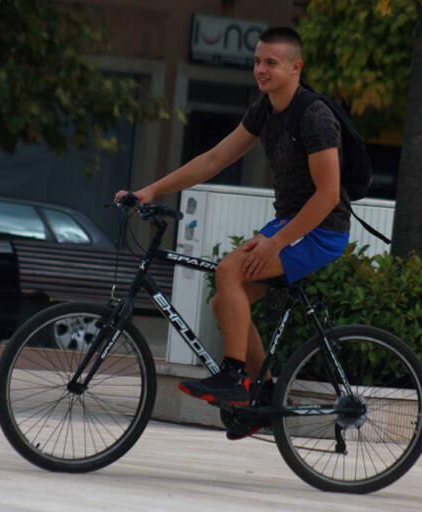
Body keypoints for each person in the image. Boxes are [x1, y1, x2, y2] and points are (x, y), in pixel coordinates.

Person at [114, 27, 349, 436]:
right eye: (257, 61)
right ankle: (264, 396)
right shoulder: (264, 110)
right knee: (225, 301)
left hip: (321, 229)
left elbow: (328, 195)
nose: (261, 70)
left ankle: (235, 377)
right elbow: (214, 159)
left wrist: (276, 241)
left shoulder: (314, 117)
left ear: (296, 67)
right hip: (290, 224)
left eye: (271, 63)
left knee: (229, 269)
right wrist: (150, 190)